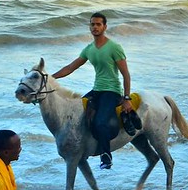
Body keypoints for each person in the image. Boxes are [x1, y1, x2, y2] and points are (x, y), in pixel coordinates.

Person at [52, 12, 140, 169]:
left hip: (112, 91)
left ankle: (106, 156)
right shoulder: (89, 49)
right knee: (77, 114)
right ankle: (83, 147)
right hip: (97, 90)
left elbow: (126, 74)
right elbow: (70, 67)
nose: (95, 27)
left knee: (100, 122)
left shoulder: (114, 47)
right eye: (92, 24)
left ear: (105, 27)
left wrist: (126, 98)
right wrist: (50, 78)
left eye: (98, 24)